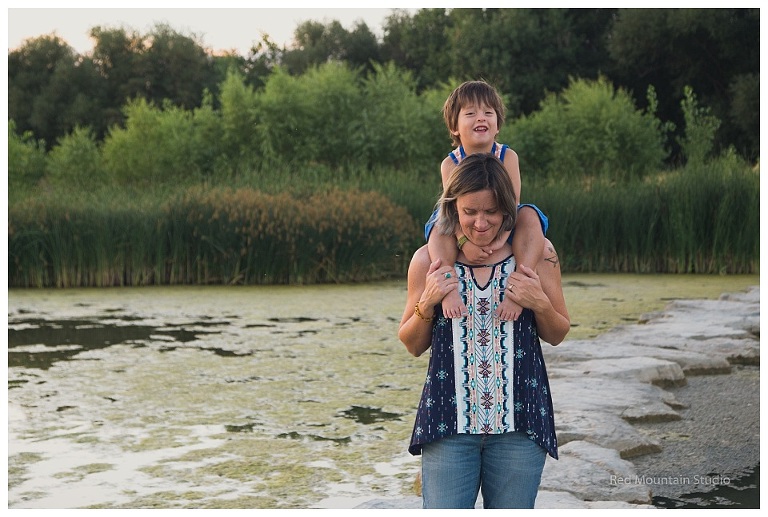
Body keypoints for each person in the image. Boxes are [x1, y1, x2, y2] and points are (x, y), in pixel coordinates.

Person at [399, 153, 570, 509]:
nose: (480, 223)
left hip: (520, 426)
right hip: (448, 426)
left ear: (508, 209)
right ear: (453, 209)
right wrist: (427, 302)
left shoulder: (539, 255)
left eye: (491, 212)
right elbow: (412, 344)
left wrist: (539, 303)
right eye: (470, 212)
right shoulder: (427, 261)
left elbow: (557, 333)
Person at [426, 80, 548, 323]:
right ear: (454, 127)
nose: (480, 118)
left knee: (530, 215)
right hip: (461, 226)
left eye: (488, 113)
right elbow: (452, 210)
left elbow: (512, 206)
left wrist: (501, 240)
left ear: (497, 124)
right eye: (471, 113)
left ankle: (518, 288)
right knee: (439, 223)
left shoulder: (508, 157)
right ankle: (448, 288)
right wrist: (464, 243)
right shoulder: (450, 164)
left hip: (503, 222)